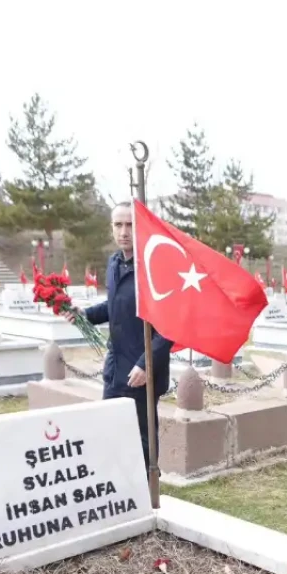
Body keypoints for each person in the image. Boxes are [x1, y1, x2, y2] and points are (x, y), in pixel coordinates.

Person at [81, 202, 172, 472]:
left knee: (142, 441)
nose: (124, 232)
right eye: (118, 225)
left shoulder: (154, 267)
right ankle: (118, 486)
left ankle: (146, 488)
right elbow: (115, 306)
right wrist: (84, 315)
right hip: (115, 368)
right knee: (111, 430)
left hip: (142, 371)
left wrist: (146, 364)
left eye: (130, 225)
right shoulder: (114, 262)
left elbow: (169, 327)